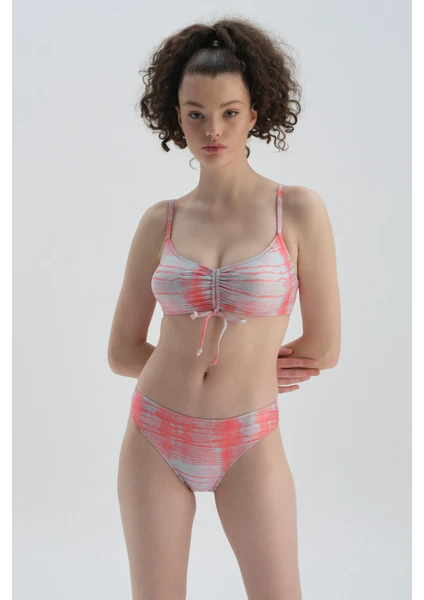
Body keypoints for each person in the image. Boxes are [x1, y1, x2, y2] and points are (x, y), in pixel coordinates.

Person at [108, 17, 341, 600]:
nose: (212, 129)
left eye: (229, 112)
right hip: (155, 433)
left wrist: (253, 369)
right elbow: (121, 351)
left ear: (255, 113)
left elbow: (324, 348)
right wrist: (182, 369)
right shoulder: (159, 221)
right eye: (195, 114)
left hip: (249, 437)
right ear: (176, 116)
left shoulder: (298, 211)